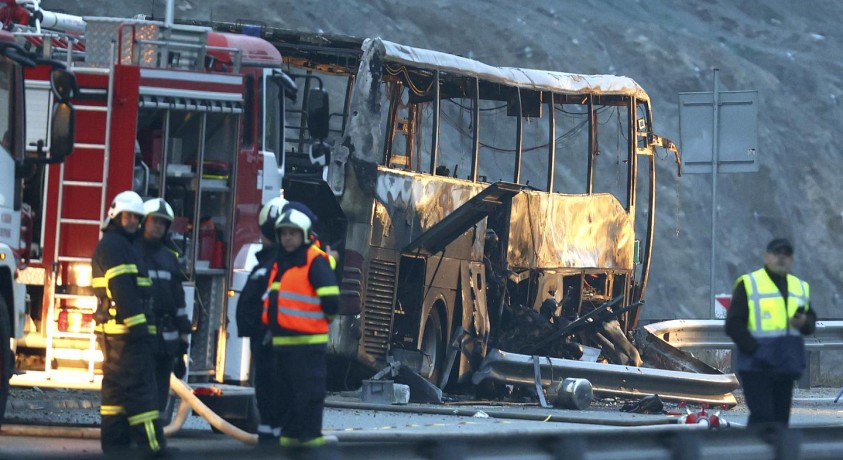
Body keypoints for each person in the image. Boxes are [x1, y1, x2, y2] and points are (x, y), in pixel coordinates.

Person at [91, 190, 168, 457]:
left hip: (116, 336)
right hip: (126, 337)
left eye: (136, 217)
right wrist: (140, 330)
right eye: (128, 216)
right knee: (140, 394)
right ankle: (154, 450)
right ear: (115, 216)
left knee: (115, 397)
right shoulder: (116, 246)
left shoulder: (119, 244)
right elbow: (123, 290)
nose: (133, 221)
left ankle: (115, 449)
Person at [262, 205, 338, 450]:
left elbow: (331, 301)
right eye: (284, 233)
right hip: (282, 346)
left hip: (308, 346)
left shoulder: (314, 261)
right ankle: (289, 445)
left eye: (293, 233)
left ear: (304, 234)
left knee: (309, 396)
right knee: (286, 398)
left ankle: (311, 445)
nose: (288, 238)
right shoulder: (281, 262)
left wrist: (319, 322)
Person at [725, 238, 817, 428]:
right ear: (767, 257)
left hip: (785, 366)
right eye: (777, 253)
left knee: (780, 422)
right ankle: (752, 445)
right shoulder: (749, 284)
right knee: (763, 418)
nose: (781, 258)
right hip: (756, 367)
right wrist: (755, 350)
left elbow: (810, 322)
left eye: (786, 254)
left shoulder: (799, 286)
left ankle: (770, 446)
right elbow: (733, 324)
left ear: (792, 259)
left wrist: (803, 322)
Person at [236, 196, 287, 445]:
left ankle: (272, 446)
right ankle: (269, 445)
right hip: (266, 345)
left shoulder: (278, 265)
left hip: (273, 346)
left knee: (274, 401)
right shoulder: (271, 263)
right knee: (268, 402)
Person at [135, 198, 191, 418]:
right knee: (142, 394)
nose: (158, 226)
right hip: (142, 338)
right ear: (144, 222)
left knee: (159, 397)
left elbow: (178, 301)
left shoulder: (169, 258)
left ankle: (155, 431)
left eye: (162, 223)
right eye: (154, 221)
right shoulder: (132, 253)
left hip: (166, 341)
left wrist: (182, 345)